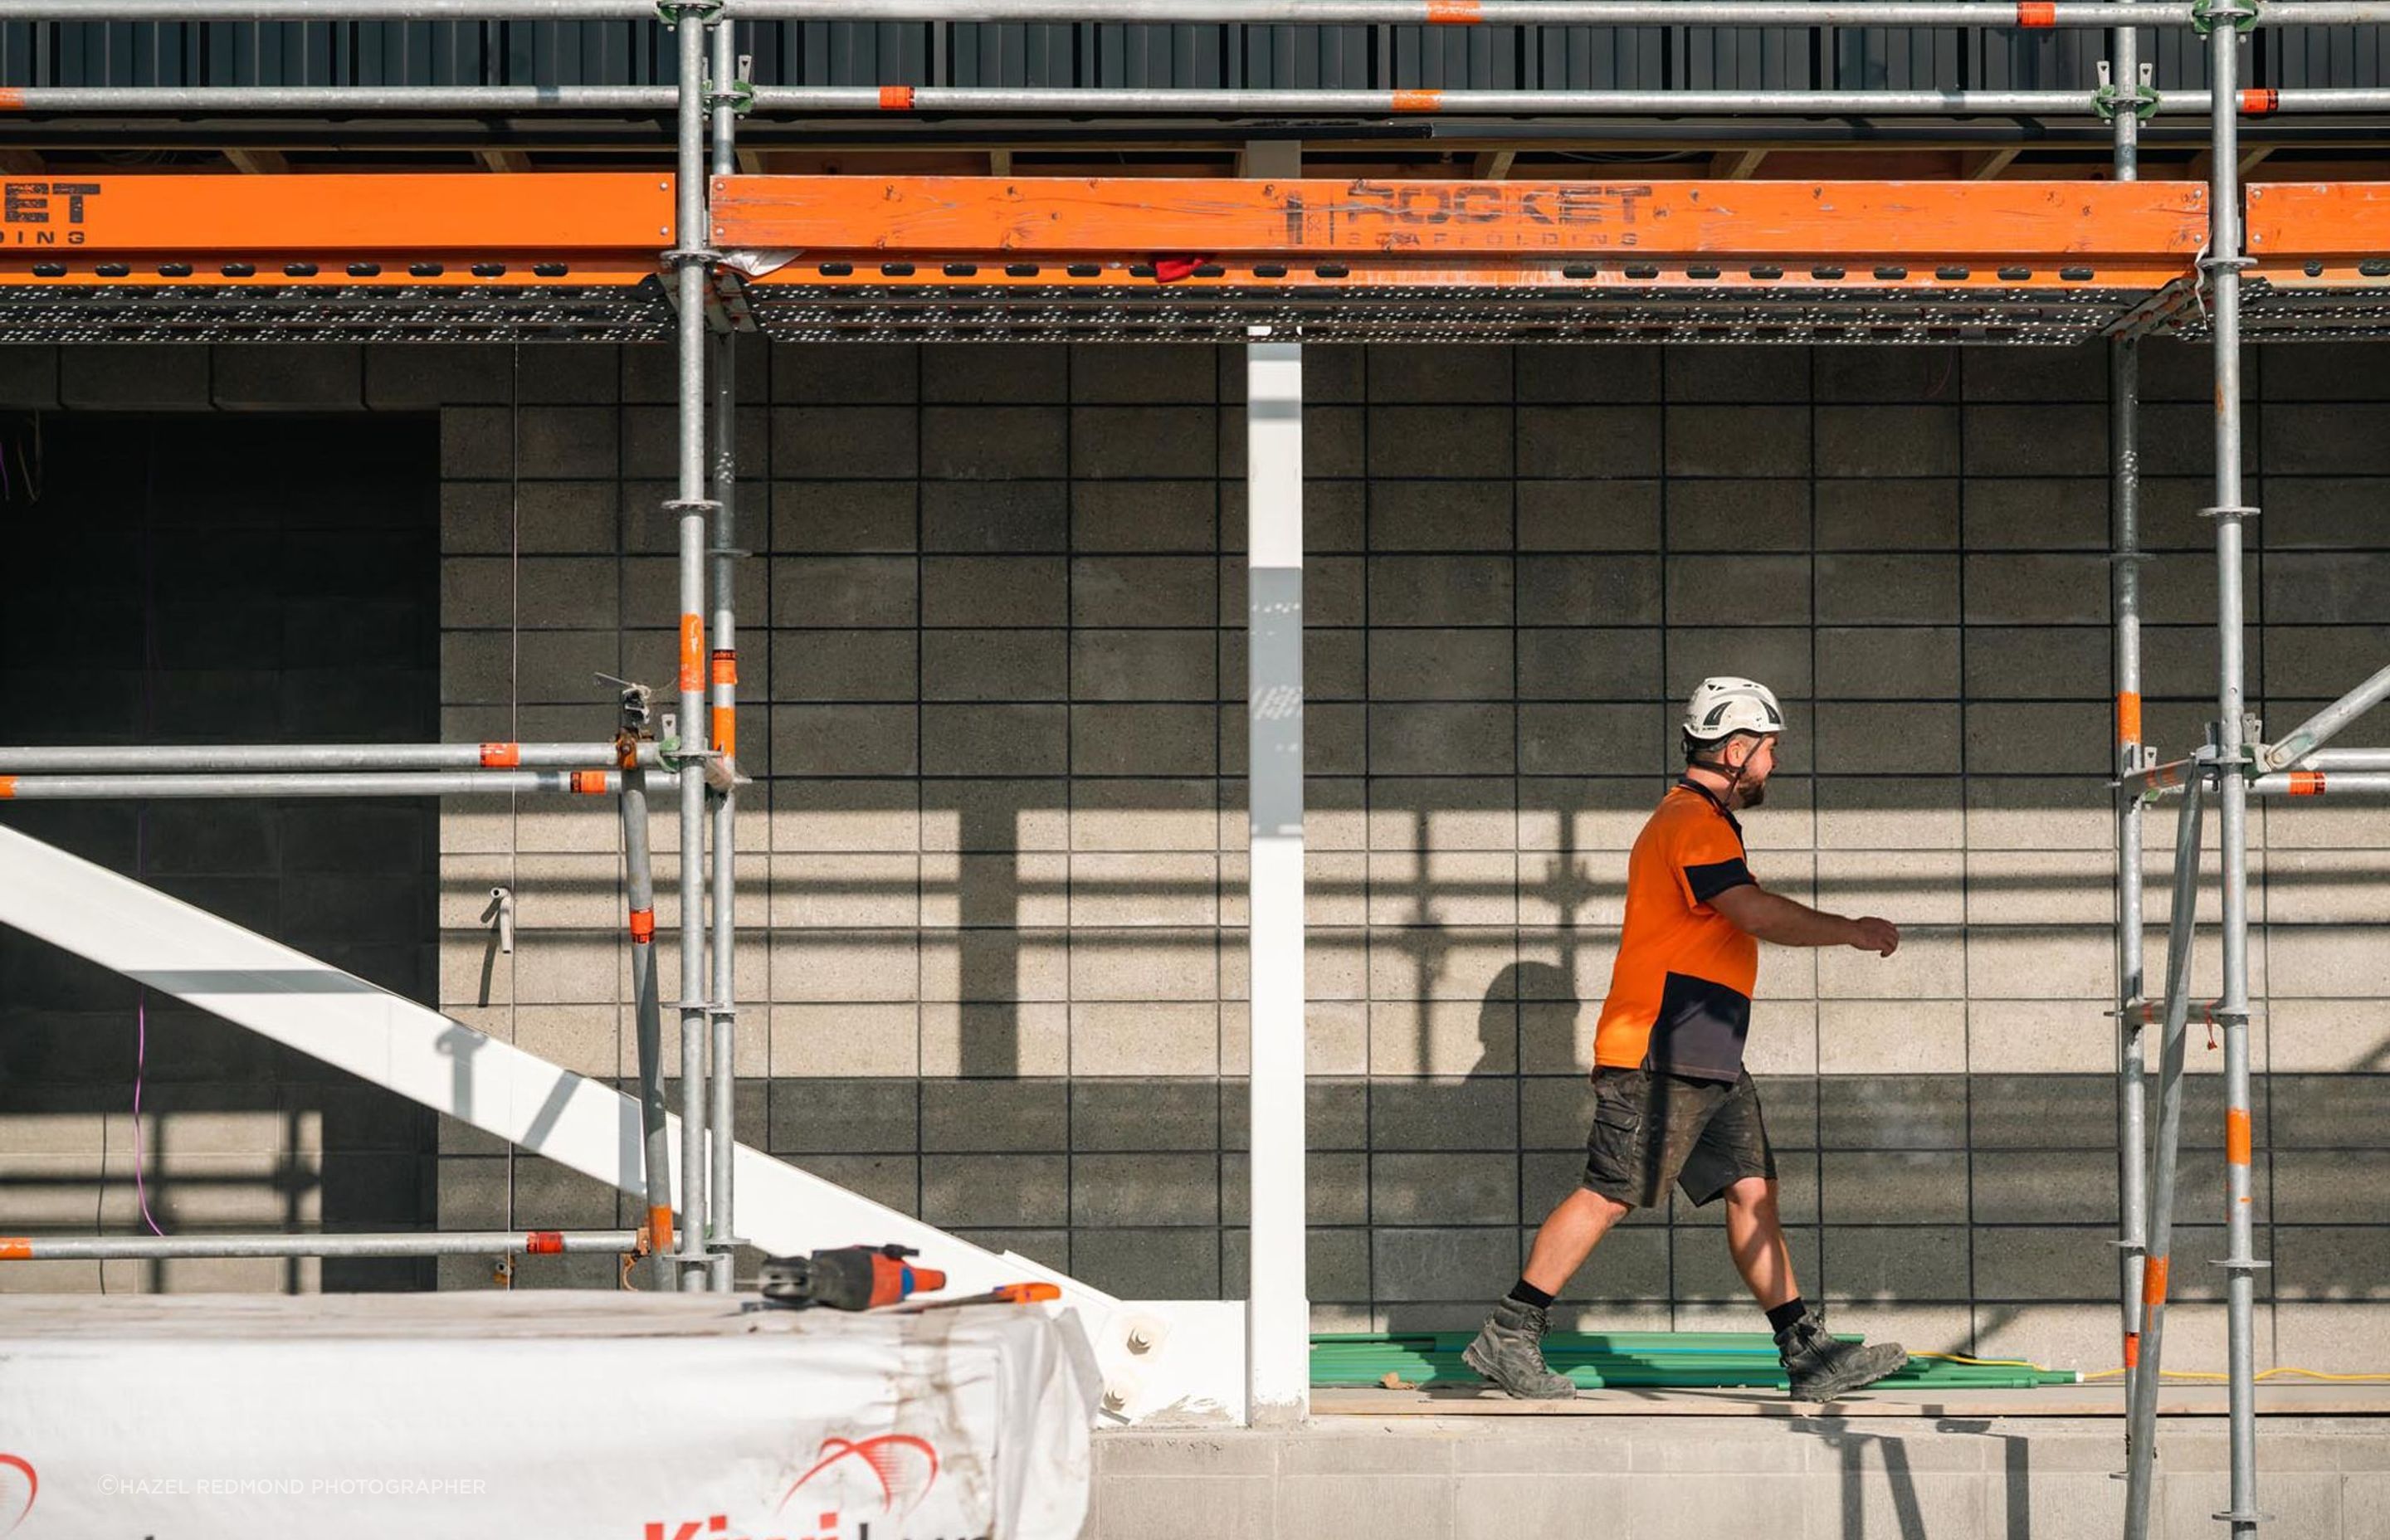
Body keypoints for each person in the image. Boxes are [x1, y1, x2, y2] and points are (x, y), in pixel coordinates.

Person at [1464, 677, 1910, 1402]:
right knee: (1611, 1193)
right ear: (1735, 750)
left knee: (1752, 1190)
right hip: (1662, 1046)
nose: (1774, 761)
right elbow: (1751, 911)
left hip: (1707, 1046)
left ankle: (1808, 1354)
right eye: (1768, 748)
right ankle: (1510, 1333)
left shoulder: (1702, 821)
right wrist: (1852, 931)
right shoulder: (1690, 822)